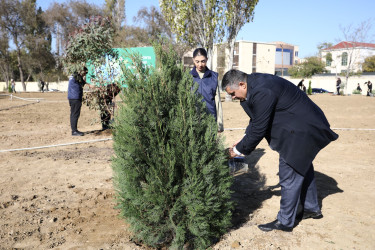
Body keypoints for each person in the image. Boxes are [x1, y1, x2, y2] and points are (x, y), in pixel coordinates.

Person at [222, 69, 338, 232]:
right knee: (302, 165)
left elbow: (259, 128)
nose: (233, 97)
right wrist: (244, 137)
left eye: (233, 93)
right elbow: (257, 118)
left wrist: (237, 150)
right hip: (300, 124)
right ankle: (312, 208)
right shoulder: (253, 84)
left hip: (302, 129)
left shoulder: (262, 90)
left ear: (241, 84)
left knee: (288, 173)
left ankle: (285, 221)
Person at [190, 48, 224, 132]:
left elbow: (217, 101)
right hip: (193, 121)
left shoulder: (214, 77)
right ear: (193, 60)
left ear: (207, 60)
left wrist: (220, 124)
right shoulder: (187, 77)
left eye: (203, 61)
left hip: (210, 119)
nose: (200, 64)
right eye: (197, 61)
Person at [67, 67, 90, 136]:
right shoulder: (76, 76)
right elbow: (85, 83)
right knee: (75, 114)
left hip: (72, 97)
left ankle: (74, 130)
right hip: (75, 98)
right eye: (85, 73)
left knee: (73, 114)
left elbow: (82, 83)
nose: (84, 74)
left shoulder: (73, 76)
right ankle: (74, 131)